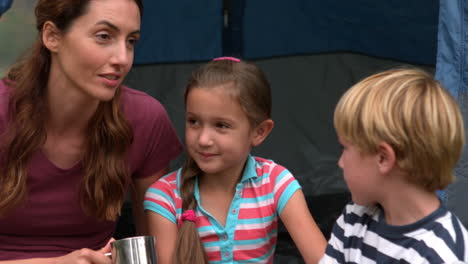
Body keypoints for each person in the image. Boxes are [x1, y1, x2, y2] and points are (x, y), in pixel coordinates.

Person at [0, 0, 182, 263]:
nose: (122, 58)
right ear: (52, 37)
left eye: (131, 41)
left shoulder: (145, 119)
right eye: (104, 36)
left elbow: (155, 252)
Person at [144, 57, 327, 264]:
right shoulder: (164, 197)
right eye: (193, 121)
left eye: (221, 125)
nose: (203, 140)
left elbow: (323, 261)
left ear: (259, 132)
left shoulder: (276, 183)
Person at [319, 68, 468, 263]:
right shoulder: (355, 218)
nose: (340, 163)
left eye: (345, 148)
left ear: (383, 158)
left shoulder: (442, 254)